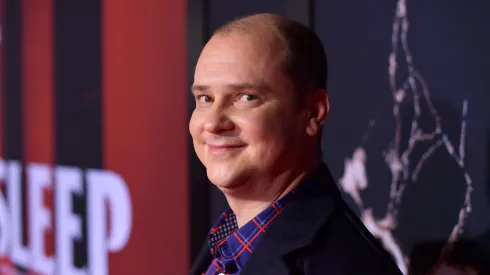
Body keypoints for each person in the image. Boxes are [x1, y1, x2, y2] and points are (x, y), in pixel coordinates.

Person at [188, 13, 403, 275]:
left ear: (313, 113)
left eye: (246, 97)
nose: (213, 123)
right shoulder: (224, 246)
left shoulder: (346, 265)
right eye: (205, 99)